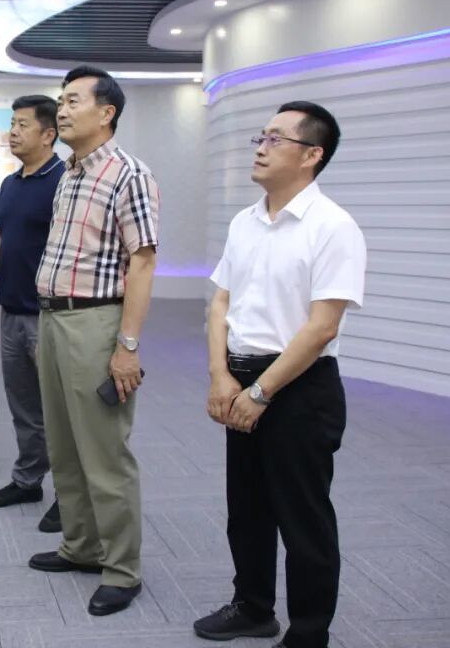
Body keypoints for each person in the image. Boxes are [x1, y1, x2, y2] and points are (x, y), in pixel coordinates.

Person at [193, 102, 366, 648]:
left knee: (302, 517)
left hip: (299, 387)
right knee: (246, 509)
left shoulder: (333, 226)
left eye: (276, 138)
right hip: (239, 377)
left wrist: (262, 391)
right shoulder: (245, 221)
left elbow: (321, 328)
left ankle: (309, 633)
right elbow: (220, 304)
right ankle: (253, 608)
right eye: (261, 137)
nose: (261, 148)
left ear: (312, 155)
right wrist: (221, 376)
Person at [28, 65, 159, 617]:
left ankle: (122, 569)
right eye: (61, 100)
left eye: (74, 100)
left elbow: (143, 262)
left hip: (96, 323)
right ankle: (81, 546)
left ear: (106, 113)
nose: (62, 109)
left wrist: (127, 345)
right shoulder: (71, 173)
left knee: (105, 452)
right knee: (63, 446)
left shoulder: (128, 174)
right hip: (53, 321)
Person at [0, 96, 65, 533]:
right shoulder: (10, 183)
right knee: (24, 405)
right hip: (12, 309)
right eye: (11, 124)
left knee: (61, 412)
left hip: (50, 315)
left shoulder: (64, 180)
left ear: (48, 134)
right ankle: (28, 479)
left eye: (22, 125)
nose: (12, 132)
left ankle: (70, 496)